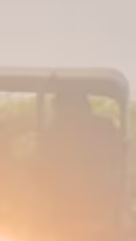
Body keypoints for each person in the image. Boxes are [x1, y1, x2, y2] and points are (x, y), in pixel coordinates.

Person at [38, 91, 121, 224]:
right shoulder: (104, 126)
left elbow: (43, 164)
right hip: (95, 202)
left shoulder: (53, 132)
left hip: (66, 204)